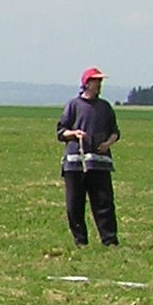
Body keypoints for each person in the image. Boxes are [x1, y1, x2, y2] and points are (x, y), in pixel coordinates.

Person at [57, 66, 120, 248]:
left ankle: (109, 240)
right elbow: (61, 132)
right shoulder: (73, 105)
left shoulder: (105, 107)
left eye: (100, 81)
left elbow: (115, 132)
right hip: (75, 164)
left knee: (104, 203)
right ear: (86, 83)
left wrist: (108, 143)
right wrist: (74, 133)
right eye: (96, 81)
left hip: (100, 164)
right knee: (74, 205)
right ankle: (80, 241)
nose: (99, 84)